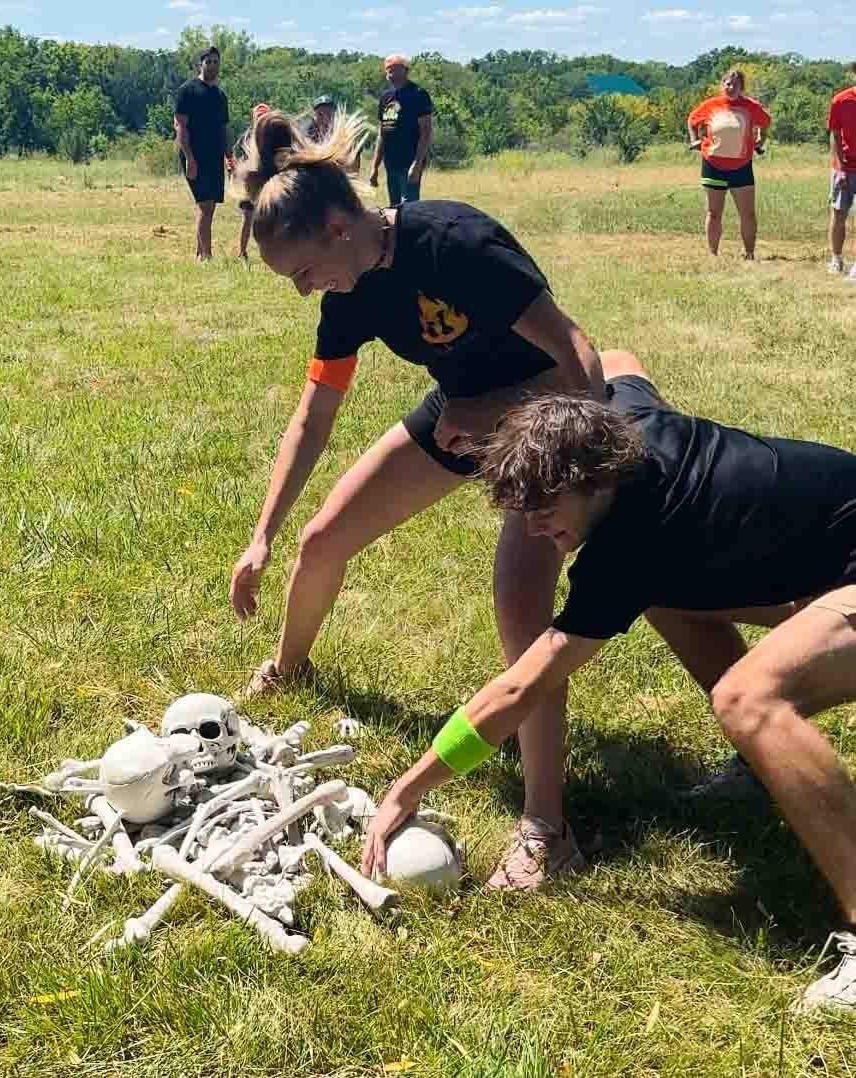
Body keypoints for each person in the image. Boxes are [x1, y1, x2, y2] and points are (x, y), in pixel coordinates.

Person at [229, 109, 681, 888]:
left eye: (302, 271)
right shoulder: (352, 294)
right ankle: (288, 669)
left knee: (518, 598)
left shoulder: (455, 242)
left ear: (339, 227)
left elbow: (576, 354)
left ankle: (547, 824)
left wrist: (546, 447)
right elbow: (316, 415)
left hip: (560, 409)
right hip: (465, 411)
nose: (305, 292)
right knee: (323, 539)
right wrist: (262, 533)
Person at [362, 360, 856, 1014]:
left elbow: (517, 691)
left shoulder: (630, 541)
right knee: (668, 597)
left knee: (749, 698)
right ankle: (763, 764)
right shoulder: (621, 423)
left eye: (544, 508)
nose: (536, 530)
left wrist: (410, 784)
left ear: (586, 479)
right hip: (829, 559)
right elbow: (623, 364)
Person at [687, 69, 770, 260]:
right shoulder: (711, 105)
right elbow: (692, 120)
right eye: (728, 84)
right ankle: (713, 254)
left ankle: (749, 253)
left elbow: (765, 122)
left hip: (741, 167)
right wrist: (694, 140)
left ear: (742, 88)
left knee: (747, 213)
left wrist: (760, 140)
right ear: (722, 85)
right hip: (713, 165)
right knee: (713, 213)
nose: (731, 88)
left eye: (736, 85)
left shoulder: (750, 106)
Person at [174, 47, 232, 261]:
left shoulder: (220, 96)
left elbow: (224, 129)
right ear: (200, 64)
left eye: (216, 62)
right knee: (205, 205)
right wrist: (189, 158)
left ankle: (200, 253)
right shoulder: (187, 91)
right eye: (209, 62)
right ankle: (207, 256)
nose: (213, 66)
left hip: (214, 156)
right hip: (194, 156)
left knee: (209, 207)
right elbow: (180, 125)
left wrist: (229, 157)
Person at [369, 55, 433, 207]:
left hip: (409, 162)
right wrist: (374, 167)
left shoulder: (418, 94)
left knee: (409, 209)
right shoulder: (386, 98)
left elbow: (426, 131)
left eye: (396, 71)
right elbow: (382, 134)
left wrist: (417, 164)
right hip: (391, 163)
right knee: (394, 209)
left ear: (406, 71)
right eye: (389, 71)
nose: (392, 75)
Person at [827, 63, 856, 278]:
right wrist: (840, 168)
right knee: (838, 214)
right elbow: (835, 135)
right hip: (845, 166)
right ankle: (836, 259)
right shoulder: (841, 100)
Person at [236, 103, 272, 261]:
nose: (261, 118)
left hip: (268, 182)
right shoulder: (248, 138)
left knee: (269, 219)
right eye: (259, 116)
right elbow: (241, 161)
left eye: (264, 115)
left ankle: (270, 252)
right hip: (251, 184)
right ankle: (242, 252)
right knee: (247, 217)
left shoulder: (273, 136)